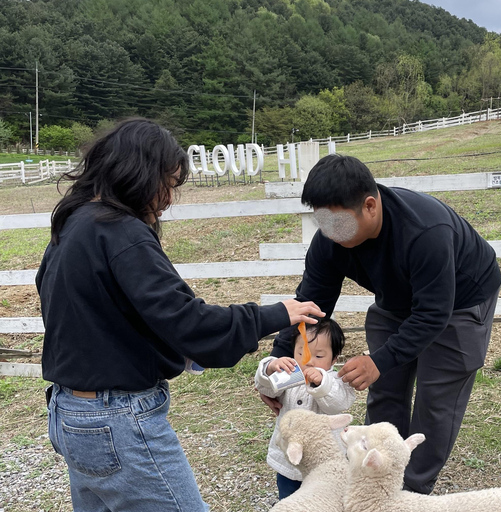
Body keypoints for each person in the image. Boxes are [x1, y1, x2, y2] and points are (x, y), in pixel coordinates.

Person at [36, 118, 324, 512]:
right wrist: (277, 313)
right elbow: (190, 322)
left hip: (69, 412)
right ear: (138, 172)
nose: (168, 197)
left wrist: (161, 345)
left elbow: (94, 314)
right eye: (167, 183)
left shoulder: (74, 223)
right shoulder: (120, 230)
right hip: (117, 417)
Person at [261, 154, 501, 495]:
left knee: (436, 400)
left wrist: (379, 360)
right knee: (385, 389)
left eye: (337, 225)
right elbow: (309, 308)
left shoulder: (425, 232)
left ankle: (410, 492)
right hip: (397, 300)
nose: (328, 234)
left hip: (461, 301)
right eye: (322, 223)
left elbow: (433, 313)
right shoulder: (330, 241)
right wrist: (278, 365)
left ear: (370, 206)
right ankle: (376, 477)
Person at [254, 317, 355, 499]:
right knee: (289, 497)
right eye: (301, 353)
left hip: (323, 462)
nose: (308, 361)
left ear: (334, 358)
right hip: (289, 461)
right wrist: (269, 368)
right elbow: (266, 389)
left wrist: (321, 384)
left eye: (318, 356)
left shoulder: (336, 381)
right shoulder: (289, 375)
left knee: (325, 499)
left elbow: (339, 403)